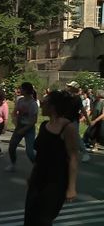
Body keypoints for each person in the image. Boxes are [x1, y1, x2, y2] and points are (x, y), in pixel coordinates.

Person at [24, 90, 78, 226]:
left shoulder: (67, 128)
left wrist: (71, 187)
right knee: (30, 216)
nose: (41, 104)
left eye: (44, 102)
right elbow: (40, 156)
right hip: (38, 178)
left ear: (53, 106)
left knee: (43, 219)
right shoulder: (43, 126)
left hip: (55, 182)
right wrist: (32, 175)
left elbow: (73, 157)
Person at [5, 82, 38, 172]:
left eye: (21, 89)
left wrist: (24, 129)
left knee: (29, 152)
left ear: (26, 90)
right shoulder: (20, 100)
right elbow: (15, 112)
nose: (19, 90)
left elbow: (33, 121)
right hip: (20, 126)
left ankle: (37, 167)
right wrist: (15, 120)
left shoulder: (33, 104)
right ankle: (13, 164)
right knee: (12, 146)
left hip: (29, 129)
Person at [65, 81, 91, 163]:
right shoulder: (67, 97)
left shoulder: (77, 98)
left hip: (73, 120)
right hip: (66, 119)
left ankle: (85, 153)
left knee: (76, 137)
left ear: (74, 88)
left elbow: (83, 110)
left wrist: (87, 120)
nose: (68, 88)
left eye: (70, 87)